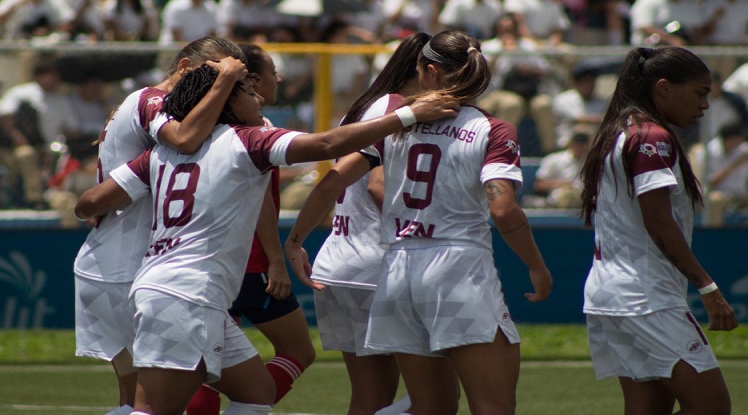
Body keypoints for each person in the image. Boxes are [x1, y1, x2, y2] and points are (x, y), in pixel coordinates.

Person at [74, 63, 459, 415]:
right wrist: (408, 114)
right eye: (247, 91)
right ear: (224, 99)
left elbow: (89, 202)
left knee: (255, 393)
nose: (258, 97)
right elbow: (327, 145)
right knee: (153, 410)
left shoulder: (161, 152)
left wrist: (95, 213)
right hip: (187, 294)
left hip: (172, 289)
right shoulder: (249, 141)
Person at [286, 29, 552, 415]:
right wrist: (537, 266)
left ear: (429, 71)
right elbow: (504, 209)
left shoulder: (396, 124)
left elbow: (337, 177)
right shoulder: (492, 128)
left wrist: (295, 239)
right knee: (493, 406)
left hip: (397, 272)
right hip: (458, 272)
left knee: (430, 406)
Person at [72, 36, 249, 415]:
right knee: (149, 405)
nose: (225, 87)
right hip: (126, 266)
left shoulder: (148, 103)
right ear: (185, 68)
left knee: (141, 401)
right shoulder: (153, 99)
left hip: (115, 264)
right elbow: (183, 141)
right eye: (218, 74)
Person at [579, 46, 738, 415]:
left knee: (648, 407)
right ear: (664, 87)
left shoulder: (619, 130)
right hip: (645, 297)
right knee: (712, 406)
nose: (705, 106)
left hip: (611, 293)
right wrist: (707, 287)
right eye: (700, 93)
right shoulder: (652, 137)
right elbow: (658, 221)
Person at [288, 32, 440, 415]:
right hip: (375, 265)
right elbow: (378, 185)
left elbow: (333, 179)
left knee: (369, 397)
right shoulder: (400, 109)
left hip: (337, 262)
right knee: (438, 396)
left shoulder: (363, 107)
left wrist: (295, 240)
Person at [185, 44, 317, 415]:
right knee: (299, 351)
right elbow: (261, 202)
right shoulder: (254, 134)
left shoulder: (195, 131)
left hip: (204, 261)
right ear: (252, 82)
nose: (279, 79)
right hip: (249, 262)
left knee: (207, 368)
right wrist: (277, 259)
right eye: (273, 71)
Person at [0, 58, 78, 209]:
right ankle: (34, 199)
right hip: (20, 146)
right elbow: (5, 115)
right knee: (26, 155)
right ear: (39, 76)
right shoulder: (21, 92)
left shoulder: (61, 100)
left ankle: (57, 196)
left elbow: (73, 128)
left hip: (51, 148)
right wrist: (17, 137)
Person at [628, 0, 704, 47]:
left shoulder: (689, 3)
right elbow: (643, 27)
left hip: (683, 53)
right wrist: (671, 40)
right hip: (650, 52)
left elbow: (697, 30)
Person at [529, 128, 591, 209]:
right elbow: (539, 185)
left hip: (582, 198)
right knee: (566, 196)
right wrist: (560, 183)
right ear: (571, 144)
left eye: (583, 144)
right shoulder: (554, 159)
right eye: (578, 143)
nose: (581, 147)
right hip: (558, 197)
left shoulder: (591, 162)